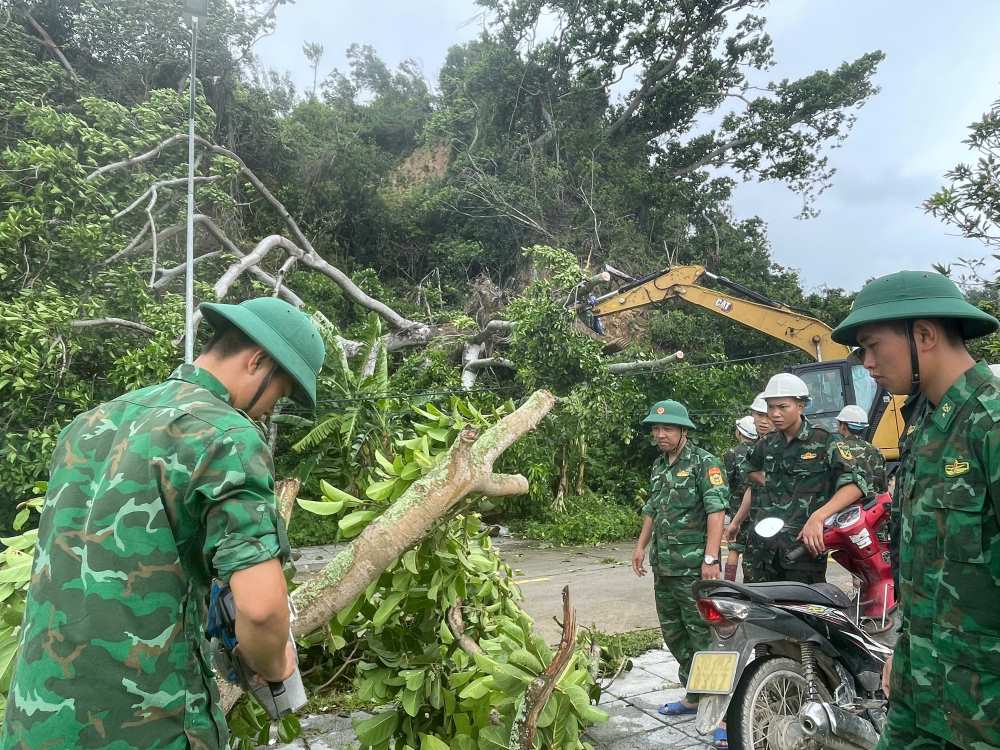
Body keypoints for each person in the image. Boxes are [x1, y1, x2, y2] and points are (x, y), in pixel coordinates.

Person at [1, 298, 326, 750]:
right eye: (281, 393)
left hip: (35, 720)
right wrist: (277, 666)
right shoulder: (226, 436)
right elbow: (262, 610)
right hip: (147, 726)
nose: (270, 410)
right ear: (257, 360)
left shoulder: (88, 424)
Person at [830, 270, 1000, 750]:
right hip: (918, 684)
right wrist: (902, 647)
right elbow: (924, 562)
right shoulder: (922, 422)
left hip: (983, 704)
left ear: (923, 335)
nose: (866, 363)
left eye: (871, 345)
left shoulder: (990, 422)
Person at [631, 400, 727, 719]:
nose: (660, 434)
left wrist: (711, 557)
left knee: (702, 634)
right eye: (656, 428)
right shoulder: (659, 465)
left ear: (683, 430)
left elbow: (716, 510)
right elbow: (652, 509)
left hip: (694, 568)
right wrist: (641, 546)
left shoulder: (705, 463)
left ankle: (720, 707)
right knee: (675, 635)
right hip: (665, 567)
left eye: (667, 428)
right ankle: (694, 694)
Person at [744, 373, 867, 583]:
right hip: (762, 551)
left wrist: (819, 517)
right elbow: (749, 468)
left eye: (782, 407)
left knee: (805, 611)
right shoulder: (767, 444)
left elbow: (856, 485)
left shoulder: (825, 441)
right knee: (761, 612)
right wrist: (773, 485)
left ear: (801, 406)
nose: (775, 414)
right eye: (770, 407)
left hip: (802, 550)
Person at [722, 416, 757, 581]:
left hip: (737, 507)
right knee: (753, 549)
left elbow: (725, 481)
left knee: (734, 548)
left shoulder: (732, 454)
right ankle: (751, 585)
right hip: (758, 506)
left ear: (739, 432)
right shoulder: (761, 449)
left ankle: (729, 585)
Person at [833, 404, 887, 496]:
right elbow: (883, 485)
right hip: (872, 505)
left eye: (838, 423)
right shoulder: (875, 450)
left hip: (849, 505)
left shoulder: (837, 449)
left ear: (843, 426)